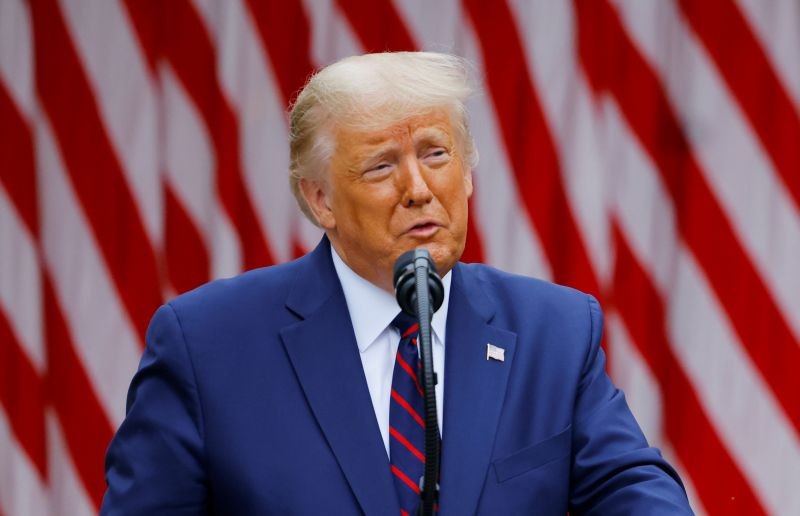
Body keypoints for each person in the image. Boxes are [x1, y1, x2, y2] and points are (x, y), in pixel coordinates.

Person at [101, 52, 693, 515]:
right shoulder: (208, 345)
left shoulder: (552, 332)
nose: (417, 188)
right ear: (320, 199)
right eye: (382, 164)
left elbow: (634, 494)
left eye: (436, 153)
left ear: (467, 176)